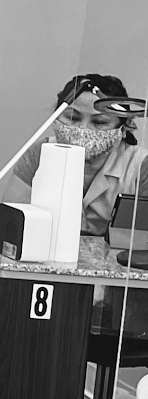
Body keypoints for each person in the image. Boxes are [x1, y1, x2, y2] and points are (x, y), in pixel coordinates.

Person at [9, 74, 146, 261]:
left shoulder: (141, 166)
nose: (83, 129)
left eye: (99, 122)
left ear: (123, 129)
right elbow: (13, 224)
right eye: (72, 118)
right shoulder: (39, 153)